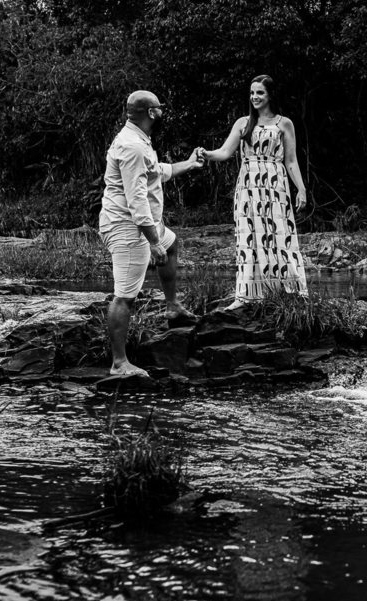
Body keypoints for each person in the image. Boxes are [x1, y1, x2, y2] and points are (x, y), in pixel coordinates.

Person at [99, 90, 205, 378]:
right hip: (128, 228)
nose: (162, 111)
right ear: (150, 113)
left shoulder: (138, 140)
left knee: (172, 244)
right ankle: (119, 363)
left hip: (141, 224)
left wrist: (190, 163)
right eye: (159, 107)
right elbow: (136, 200)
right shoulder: (132, 146)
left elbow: (158, 171)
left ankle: (172, 306)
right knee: (125, 296)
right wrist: (152, 241)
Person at [201, 75, 308, 311]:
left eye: (259, 93)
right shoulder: (243, 123)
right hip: (248, 185)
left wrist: (301, 189)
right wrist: (207, 154)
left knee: (279, 235)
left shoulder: (284, 123)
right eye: (252, 93)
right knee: (248, 237)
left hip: (275, 185)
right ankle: (246, 295)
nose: (255, 97)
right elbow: (225, 152)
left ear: (270, 95)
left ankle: (287, 292)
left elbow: (291, 161)